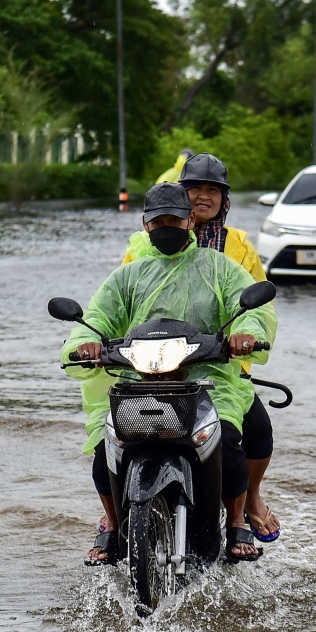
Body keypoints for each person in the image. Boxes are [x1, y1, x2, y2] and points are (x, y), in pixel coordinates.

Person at [64, 182, 277, 564]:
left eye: (174, 220)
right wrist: (86, 342)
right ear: (146, 225)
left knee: (227, 441)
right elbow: (96, 316)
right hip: (138, 380)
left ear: (190, 221)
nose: (166, 226)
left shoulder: (219, 268)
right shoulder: (127, 276)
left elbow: (251, 308)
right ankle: (112, 525)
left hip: (207, 379)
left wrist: (247, 334)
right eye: (158, 220)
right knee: (105, 450)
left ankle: (235, 523)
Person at [121, 153, 280, 543]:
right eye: (195, 189)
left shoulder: (237, 247)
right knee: (112, 435)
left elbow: (256, 302)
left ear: (224, 199)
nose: (203, 197)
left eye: (213, 190)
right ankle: (114, 518)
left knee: (253, 433)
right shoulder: (144, 246)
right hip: (154, 362)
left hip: (218, 361)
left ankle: (245, 507)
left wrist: (243, 338)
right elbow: (119, 299)